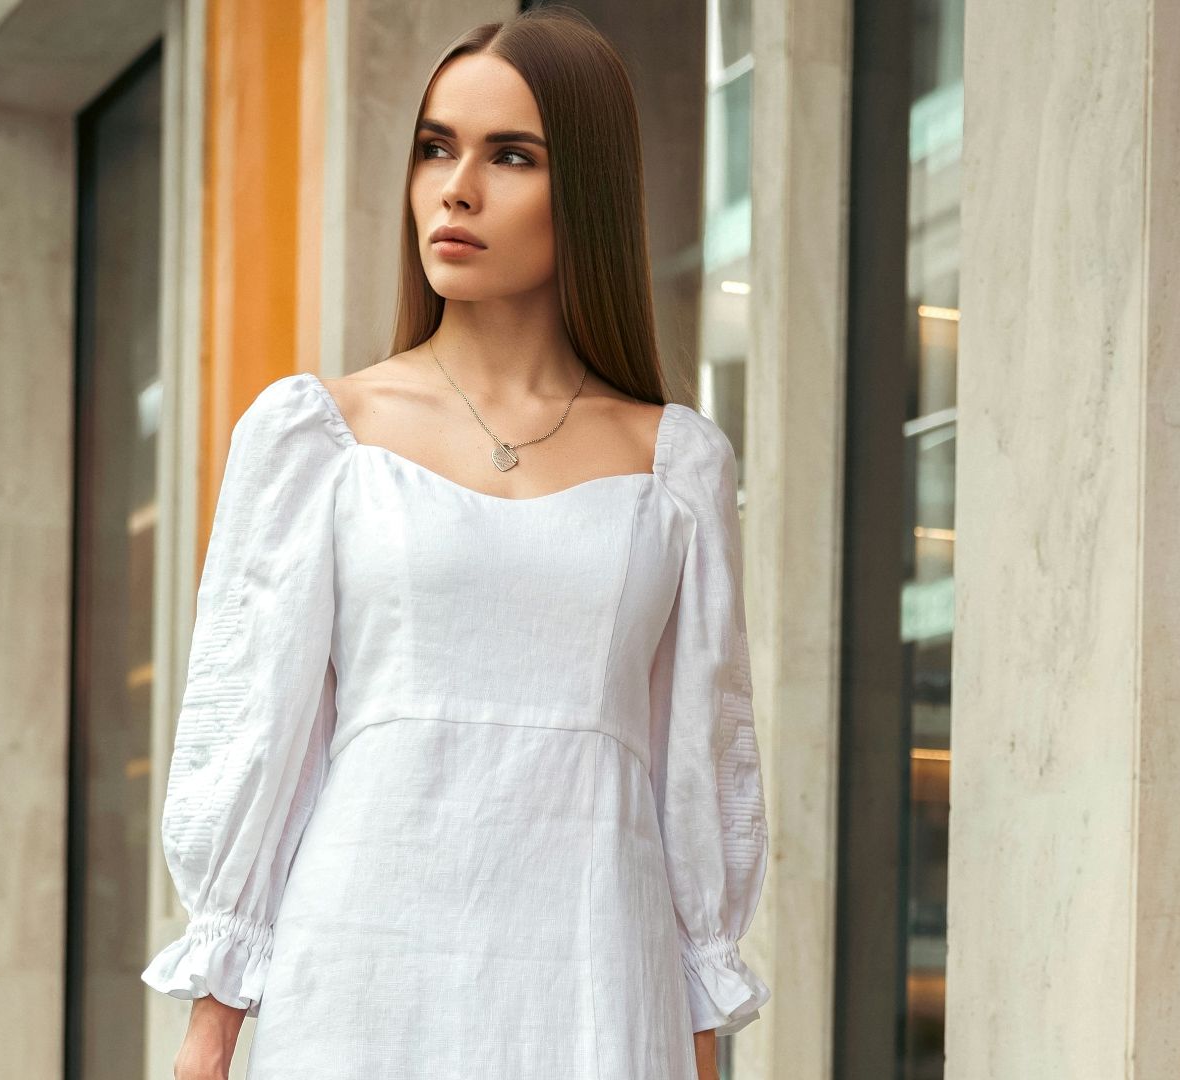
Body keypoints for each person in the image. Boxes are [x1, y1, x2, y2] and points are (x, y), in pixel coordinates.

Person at [142, 8, 770, 1078]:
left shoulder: (676, 466)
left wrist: (703, 1049)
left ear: (588, 192)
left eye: (510, 156)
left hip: (594, 979)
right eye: (437, 148)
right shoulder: (317, 437)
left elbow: (696, 781)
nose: (456, 188)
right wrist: (210, 1040)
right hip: (361, 978)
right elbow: (264, 739)